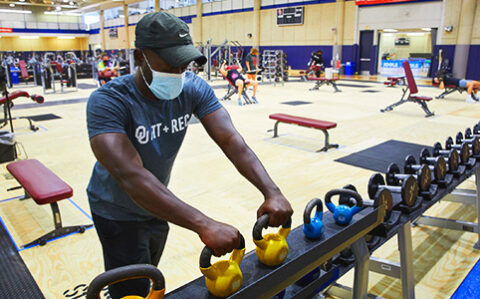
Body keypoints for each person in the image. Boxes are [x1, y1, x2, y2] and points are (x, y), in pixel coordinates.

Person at [86, 12, 292, 299]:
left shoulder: (192, 87)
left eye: (184, 62)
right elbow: (131, 176)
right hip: (116, 209)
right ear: (139, 56)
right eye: (170, 62)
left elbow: (231, 140)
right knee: (132, 287)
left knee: (148, 270)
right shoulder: (109, 101)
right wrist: (203, 223)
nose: (179, 70)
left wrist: (272, 191)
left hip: (158, 202)